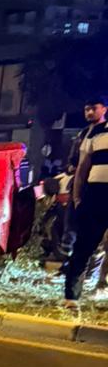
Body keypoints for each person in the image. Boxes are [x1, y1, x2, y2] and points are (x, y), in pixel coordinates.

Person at [63, 117, 108, 305]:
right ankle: (71, 297)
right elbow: (82, 167)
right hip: (96, 196)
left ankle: (102, 284)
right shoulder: (96, 132)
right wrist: (77, 198)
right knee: (84, 246)